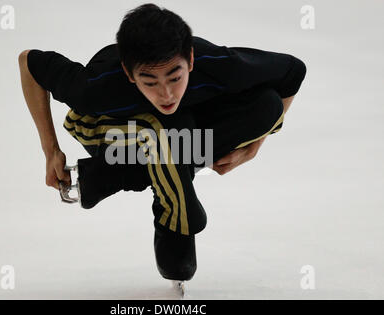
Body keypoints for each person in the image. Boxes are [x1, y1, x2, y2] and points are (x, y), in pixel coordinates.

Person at [18, 3, 306, 284]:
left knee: (267, 107)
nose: (166, 93)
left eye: (175, 77)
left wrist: (257, 143)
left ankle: (107, 176)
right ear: (130, 74)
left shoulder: (219, 65)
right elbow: (29, 62)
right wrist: (51, 150)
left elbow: (293, 71)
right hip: (106, 130)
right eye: (150, 82)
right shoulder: (96, 87)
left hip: (181, 130)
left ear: (190, 60)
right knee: (162, 128)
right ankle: (176, 220)